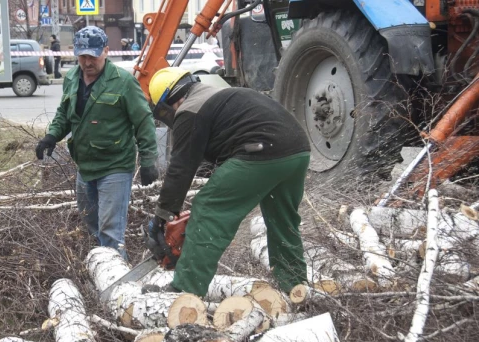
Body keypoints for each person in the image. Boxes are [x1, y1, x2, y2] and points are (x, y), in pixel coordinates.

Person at [143, 67, 311, 296]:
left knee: (208, 208)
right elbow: (212, 154)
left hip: (261, 151)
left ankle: (184, 289)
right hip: (297, 151)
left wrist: (163, 215)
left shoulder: (189, 109)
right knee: (282, 221)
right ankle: (295, 286)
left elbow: (181, 168)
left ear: (169, 101)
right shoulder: (216, 95)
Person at [35, 27, 159, 260]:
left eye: (93, 56)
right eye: (82, 56)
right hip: (85, 166)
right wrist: (52, 135)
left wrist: (148, 159)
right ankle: (106, 268)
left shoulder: (123, 82)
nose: (87, 62)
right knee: (91, 224)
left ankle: (117, 287)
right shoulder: (72, 78)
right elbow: (65, 112)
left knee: (110, 232)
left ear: (106, 51)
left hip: (115, 166)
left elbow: (143, 121)